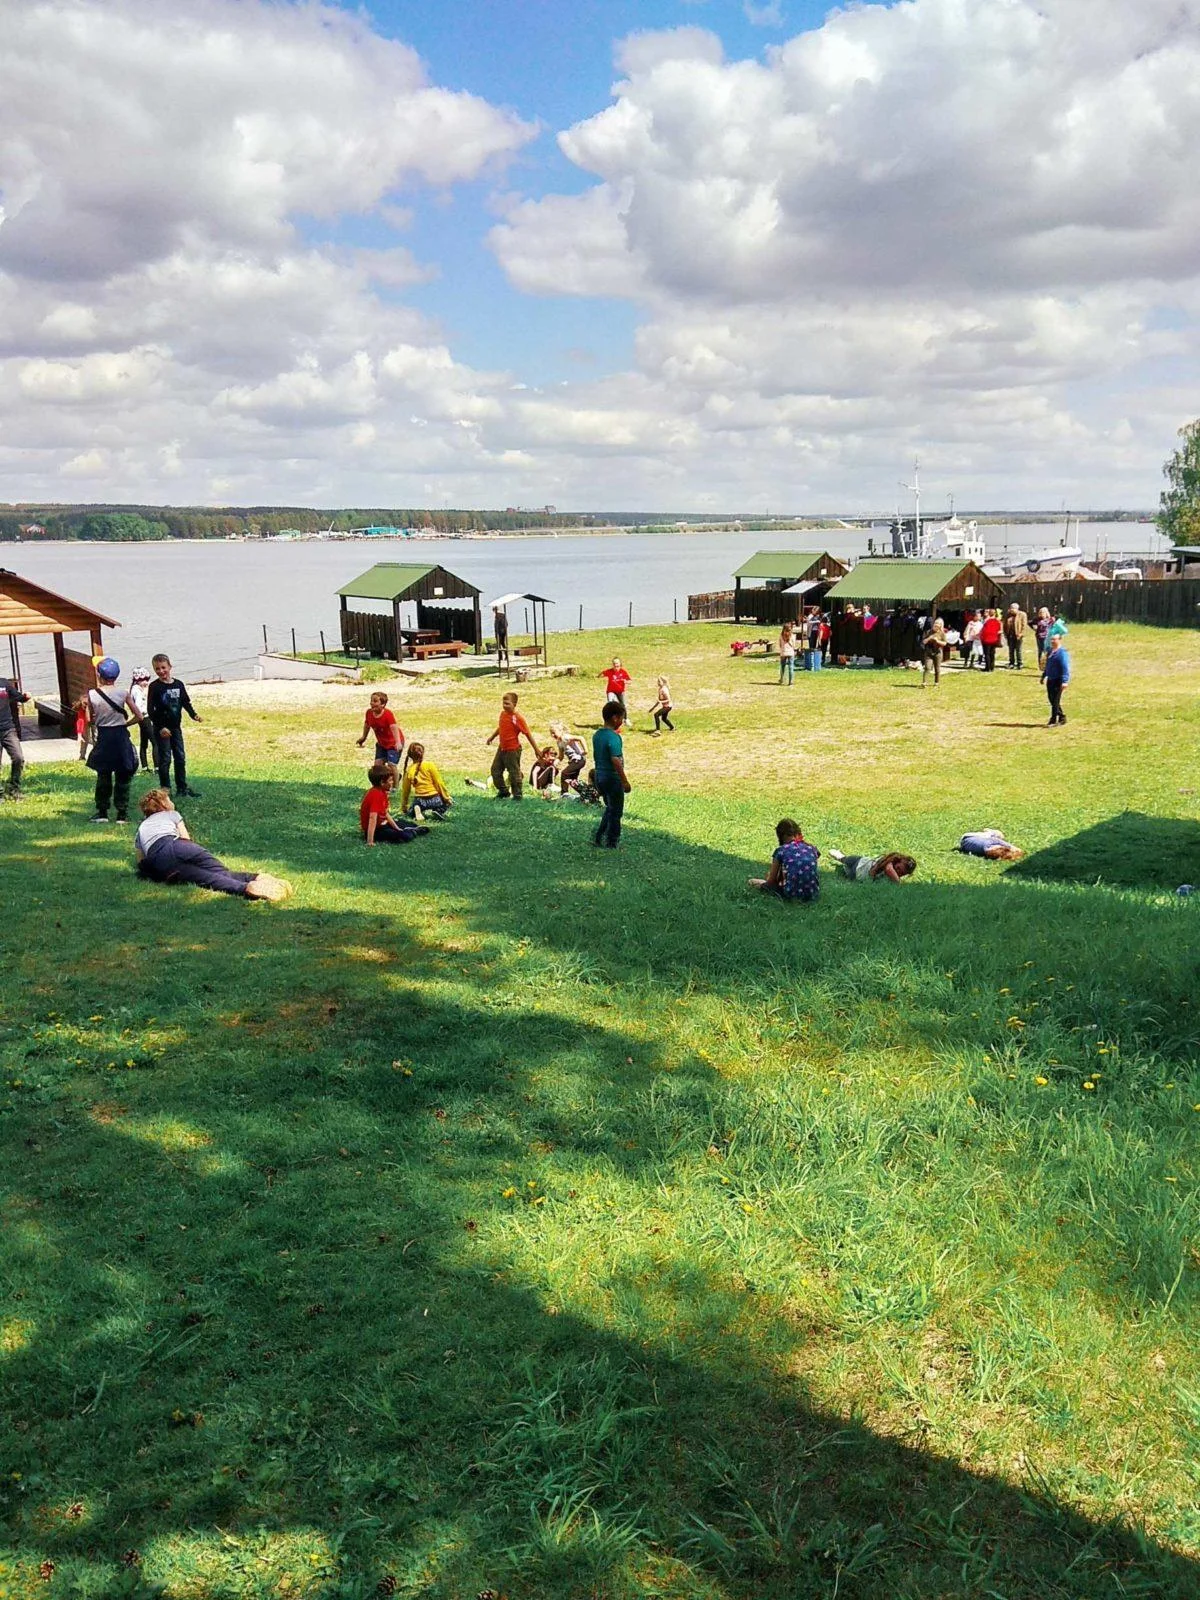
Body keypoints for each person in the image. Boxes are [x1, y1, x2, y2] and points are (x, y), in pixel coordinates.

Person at [135, 788, 291, 899]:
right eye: (169, 800)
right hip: (178, 846)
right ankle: (257, 878)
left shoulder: (141, 828)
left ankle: (245, 889)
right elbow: (185, 838)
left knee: (203, 878)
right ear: (164, 805)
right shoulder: (171, 814)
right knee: (217, 871)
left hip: (160, 863)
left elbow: (141, 861)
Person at [87, 657, 140, 823]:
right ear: (116, 676)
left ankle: (102, 812)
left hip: (104, 736)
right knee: (123, 775)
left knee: (104, 775)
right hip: (120, 736)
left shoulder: (92, 694)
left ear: (99, 676)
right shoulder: (123, 693)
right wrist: (125, 723)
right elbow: (138, 715)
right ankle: (121, 814)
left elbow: (90, 718)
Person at [147, 653, 202, 798]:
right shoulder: (154, 687)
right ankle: (165, 790)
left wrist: (193, 715)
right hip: (162, 729)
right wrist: (160, 727)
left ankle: (182, 788)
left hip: (176, 727)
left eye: (163, 667)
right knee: (165, 759)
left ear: (170, 667)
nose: (161, 671)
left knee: (180, 757)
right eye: (157, 669)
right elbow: (150, 710)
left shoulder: (178, 684)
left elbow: (185, 702)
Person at [748, 819, 820, 901]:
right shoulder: (811, 848)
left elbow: (771, 881)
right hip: (813, 894)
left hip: (790, 894)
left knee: (752, 882)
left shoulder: (781, 850)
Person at [592, 700, 630, 848]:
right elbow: (615, 759)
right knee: (616, 812)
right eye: (621, 718)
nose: (621, 721)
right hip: (612, 778)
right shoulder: (613, 737)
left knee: (609, 808)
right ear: (615, 718)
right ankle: (612, 841)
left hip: (599, 777)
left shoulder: (597, 735)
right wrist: (624, 780)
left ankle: (599, 836)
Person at [360, 761, 429, 844]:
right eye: (390, 780)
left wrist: (396, 827)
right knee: (404, 836)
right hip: (376, 830)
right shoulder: (376, 794)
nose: (392, 782)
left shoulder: (382, 792)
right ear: (382, 782)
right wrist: (370, 841)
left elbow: (385, 813)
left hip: (383, 824)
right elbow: (372, 818)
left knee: (402, 823)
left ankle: (414, 828)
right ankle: (412, 832)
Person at [486, 691, 538, 800]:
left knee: (514, 773)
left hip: (513, 750)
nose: (505, 706)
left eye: (507, 704)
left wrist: (536, 750)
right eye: (503, 703)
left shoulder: (517, 718)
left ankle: (517, 795)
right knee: (495, 770)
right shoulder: (503, 714)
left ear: (514, 704)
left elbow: (528, 734)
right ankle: (503, 791)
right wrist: (492, 737)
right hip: (502, 748)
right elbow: (501, 727)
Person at [399, 742, 452, 819]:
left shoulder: (409, 770)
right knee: (449, 803)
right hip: (435, 799)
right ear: (422, 753)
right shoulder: (429, 765)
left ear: (410, 755)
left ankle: (416, 809)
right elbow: (439, 783)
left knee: (410, 813)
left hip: (420, 800)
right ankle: (438, 810)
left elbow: (405, 791)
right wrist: (446, 798)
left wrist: (404, 807)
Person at [0, 674, 29, 802]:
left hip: (8, 729)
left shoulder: (4, 683)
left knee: (18, 758)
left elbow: (18, 697)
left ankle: (14, 789)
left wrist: (25, 697)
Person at [356, 690, 404, 766]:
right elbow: (367, 725)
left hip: (393, 743)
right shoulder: (369, 713)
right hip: (382, 743)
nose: (372, 703)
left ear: (383, 704)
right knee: (377, 765)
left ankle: (396, 777)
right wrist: (364, 737)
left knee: (391, 765)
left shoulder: (388, 714)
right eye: (371, 701)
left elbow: (394, 727)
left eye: (375, 701)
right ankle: (383, 778)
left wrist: (398, 742)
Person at [829, 849, 916, 882]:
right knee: (846, 860)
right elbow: (889, 869)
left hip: (856, 872)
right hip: (861, 861)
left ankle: (840, 857)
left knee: (846, 868)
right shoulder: (887, 863)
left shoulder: (890, 880)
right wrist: (898, 882)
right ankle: (839, 856)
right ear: (897, 861)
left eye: (901, 873)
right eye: (898, 868)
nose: (897, 872)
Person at [549, 721, 587, 793]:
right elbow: (561, 756)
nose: (553, 734)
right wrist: (555, 762)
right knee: (573, 780)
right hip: (574, 761)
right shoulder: (559, 742)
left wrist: (585, 750)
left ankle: (564, 794)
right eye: (551, 733)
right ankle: (585, 793)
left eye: (554, 732)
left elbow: (581, 738)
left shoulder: (565, 737)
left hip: (579, 760)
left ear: (561, 731)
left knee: (564, 774)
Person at [1041, 633, 1070, 726]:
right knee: (1051, 699)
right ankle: (1062, 717)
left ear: (1059, 640)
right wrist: (1044, 675)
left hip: (1058, 680)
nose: (1053, 641)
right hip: (1050, 679)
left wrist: (1065, 681)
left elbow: (1065, 668)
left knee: (1056, 700)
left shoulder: (1062, 653)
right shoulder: (1050, 651)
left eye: (1055, 639)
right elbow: (1047, 665)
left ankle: (1053, 720)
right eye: (1052, 639)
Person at [129, 667, 153, 770]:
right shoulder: (137, 690)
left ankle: (144, 766)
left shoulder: (136, 689)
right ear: (137, 680)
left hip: (143, 717)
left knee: (144, 741)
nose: (146, 682)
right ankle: (157, 767)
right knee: (155, 741)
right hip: (144, 717)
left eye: (147, 680)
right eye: (143, 680)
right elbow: (139, 707)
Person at [958, 829, 1024, 860]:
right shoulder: (984, 851)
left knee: (997, 836)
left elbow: (1002, 842)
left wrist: (1013, 848)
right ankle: (990, 831)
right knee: (997, 835)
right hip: (963, 844)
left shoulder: (989, 842)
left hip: (968, 836)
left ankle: (989, 831)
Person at [599, 657, 631, 722]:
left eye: (617, 665)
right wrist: (599, 675)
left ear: (620, 664)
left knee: (623, 705)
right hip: (611, 691)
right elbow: (602, 674)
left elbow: (630, 681)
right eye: (614, 665)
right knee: (610, 704)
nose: (616, 667)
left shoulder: (623, 672)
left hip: (620, 691)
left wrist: (626, 681)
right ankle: (610, 720)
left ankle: (625, 719)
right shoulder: (610, 671)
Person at [921, 617, 946, 686]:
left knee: (937, 668)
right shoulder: (928, 632)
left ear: (941, 625)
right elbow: (924, 641)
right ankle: (924, 682)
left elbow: (945, 643)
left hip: (938, 652)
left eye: (938, 624)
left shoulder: (942, 633)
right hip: (929, 652)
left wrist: (937, 641)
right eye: (935, 623)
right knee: (927, 667)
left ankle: (936, 682)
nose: (936, 625)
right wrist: (929, 638)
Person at [1003, 603, 1027, 670]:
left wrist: (1021, 633)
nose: (1011, 610)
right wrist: (1005, 633)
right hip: (1010, 635)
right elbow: (1004, 624)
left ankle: (1019, 663)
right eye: (1011, 608)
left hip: (1018, 635)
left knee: (1018, 650)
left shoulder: (1022, 614)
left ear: (1017, 609)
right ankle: (1011, 663)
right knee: (1011, 650)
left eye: (1013, 608)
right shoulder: (1008, 615)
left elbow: (1024, 625)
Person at [74, 693, 91, 763]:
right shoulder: (80, 709)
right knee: (85, 738)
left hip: (94, 721)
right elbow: (80, 722)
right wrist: (79, 735)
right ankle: (82, 756)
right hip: (85, 722)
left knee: (96, 738)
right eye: (84, 703)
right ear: (81, 702)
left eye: (87, 704)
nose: (85, 705)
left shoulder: (93, 707)